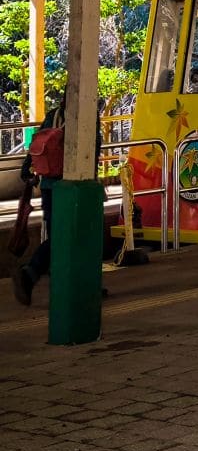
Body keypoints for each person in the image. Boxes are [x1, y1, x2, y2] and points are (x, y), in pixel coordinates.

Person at [12, 97, 102, 306]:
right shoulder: (86, 117)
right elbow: (94, 149)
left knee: (58, 234)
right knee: (75, 235)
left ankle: (61, 280)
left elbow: (36, 144)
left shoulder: (53, 115)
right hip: (74, 187)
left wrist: (27, 168)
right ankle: (31, 273)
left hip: (49, 186)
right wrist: (94, 184)